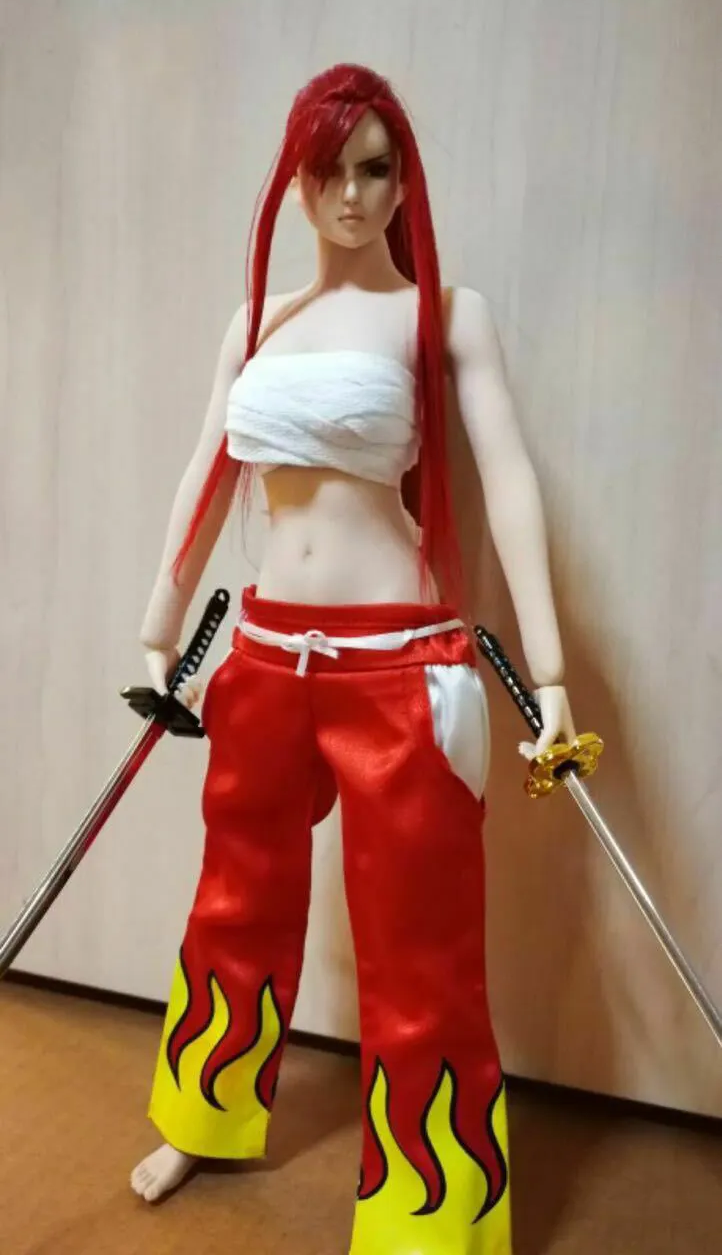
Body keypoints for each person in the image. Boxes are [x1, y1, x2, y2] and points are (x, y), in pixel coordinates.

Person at [130, 62, 575, 1255]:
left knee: (419, 940)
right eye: (326, 169)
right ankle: (205, 1112)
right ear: (294, 179)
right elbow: (205, 471)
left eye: (375, 168)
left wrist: (549, 675)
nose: (350, 194)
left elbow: (511, 480)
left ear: (403, 180)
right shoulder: (253, 323)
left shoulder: (444, 315)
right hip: (265, 654)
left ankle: (431, 1204)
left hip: (398, 667)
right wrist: (158, 628)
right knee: (234, 903)